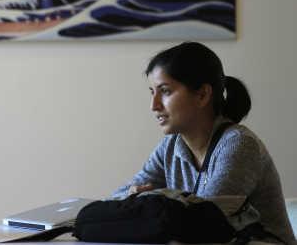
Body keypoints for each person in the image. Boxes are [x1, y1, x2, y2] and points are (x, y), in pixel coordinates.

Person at [112, 41, 295, 244]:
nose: (153, 106)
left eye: (165, 91)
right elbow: (114, 201)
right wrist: (136, 196)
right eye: (152, 92)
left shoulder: (239, 145)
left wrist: (151, 200)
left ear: (202, 95)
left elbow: (204, 223)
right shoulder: (170, 146)